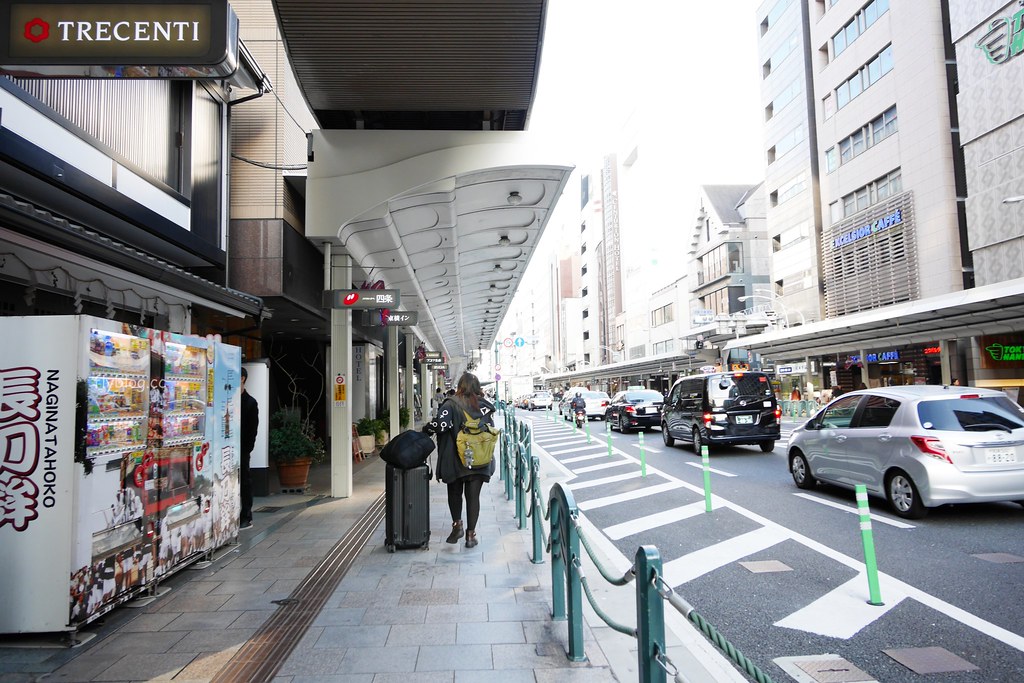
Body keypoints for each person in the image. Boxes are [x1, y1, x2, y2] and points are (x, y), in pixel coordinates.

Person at [422, 372, 495, 549]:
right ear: (477, 387)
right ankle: (471, 535)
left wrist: (427, 428)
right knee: (473, 498)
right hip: (478, 459)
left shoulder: (451, 404)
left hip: (455, 459)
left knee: (454, 493)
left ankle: (457, 526)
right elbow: (490, 428)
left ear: (460, 386)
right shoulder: (484, 406)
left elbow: (441, 426)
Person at [239, 367, 259, 530]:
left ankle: (246, 515)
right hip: (225, 449)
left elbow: (253, 429)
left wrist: (247, 449)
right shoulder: (227, 399)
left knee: (245, 481)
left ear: (243, 378)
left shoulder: (250, 402)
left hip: (242, 449)